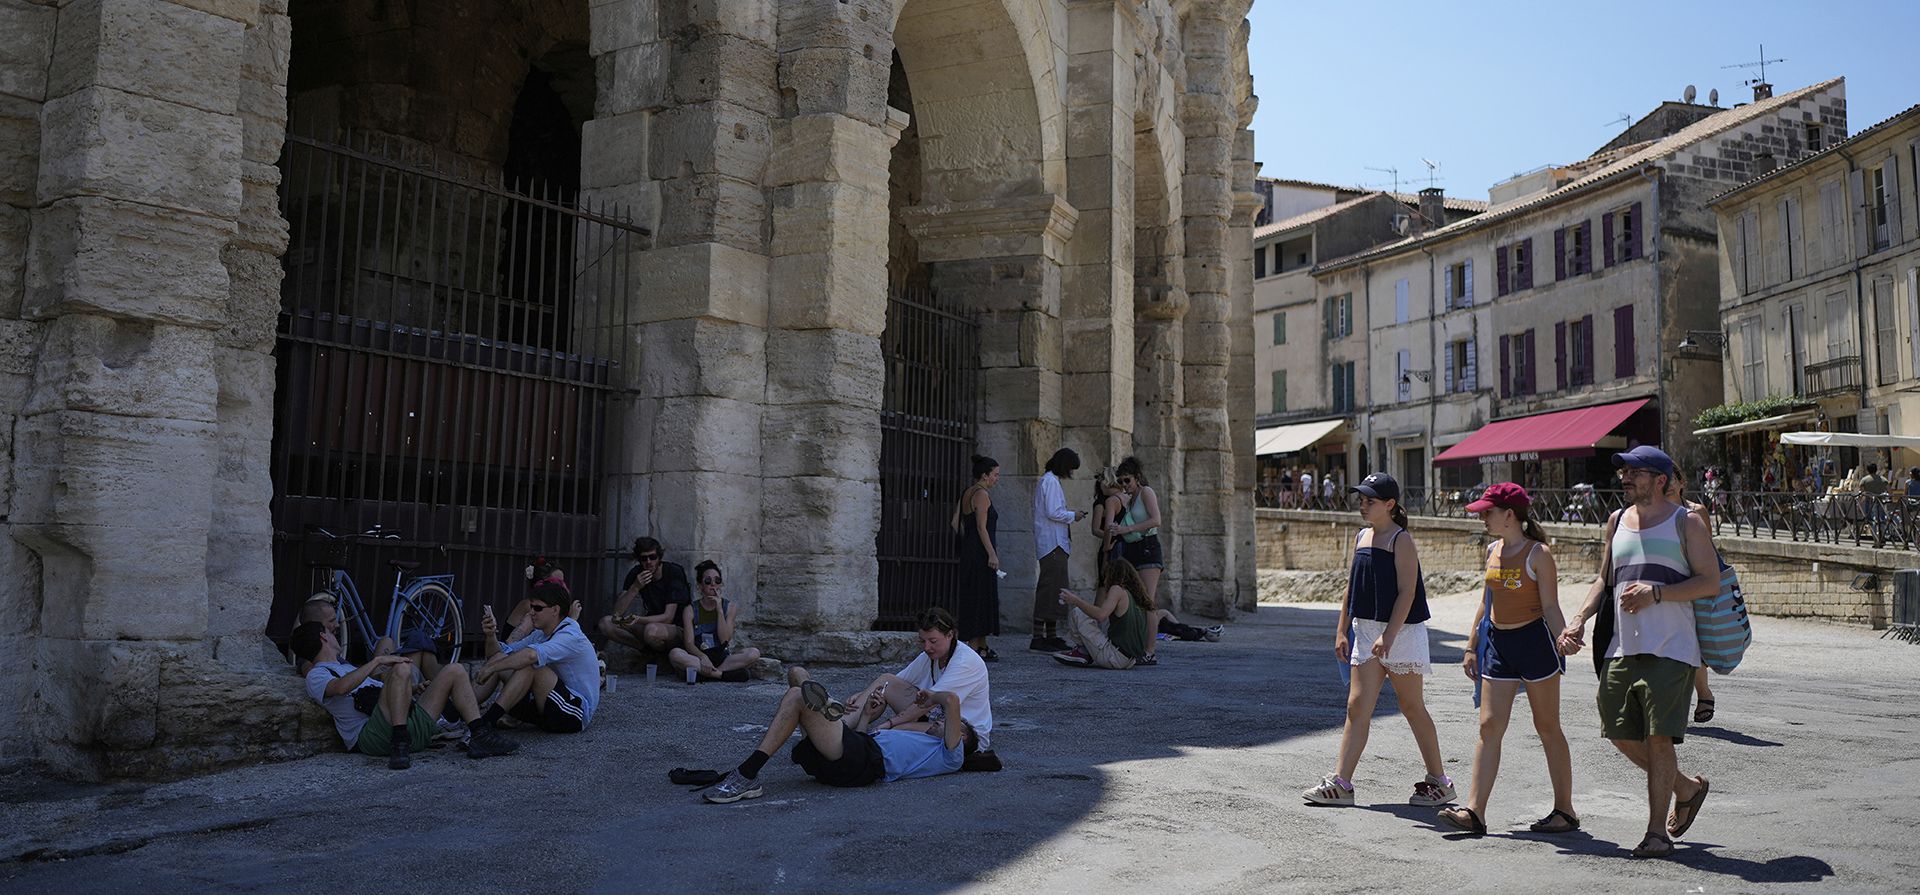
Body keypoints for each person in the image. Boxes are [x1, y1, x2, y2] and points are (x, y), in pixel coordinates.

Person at [1559, 446, 1718, 859]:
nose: (1625, 478)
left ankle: (1656, 834)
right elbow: (1603, 581)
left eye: (1635, 472)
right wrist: (1578, 620)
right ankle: (1685, 788)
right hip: (1621, 647)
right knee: (1616, 731)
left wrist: (1658, 593)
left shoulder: (1688, 523)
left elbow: (1709, 582)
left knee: (1658, 737)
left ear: (1660, 479)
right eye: (1624, 472)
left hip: (1673, 647)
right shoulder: (1616, 521)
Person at [1302, 472, 1455, 809]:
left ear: (1390, 505)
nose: (1363, 505)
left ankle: (1440, 781)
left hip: (1400, 632)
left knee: (1412, 707)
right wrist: (1342, 628)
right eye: (1362, 499)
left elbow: (1408, 591)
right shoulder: (1361, 537)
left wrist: (1389, 635)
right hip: (1366, 629)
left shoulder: (1401, 540)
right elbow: (1351, 587)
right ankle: (1342, 783)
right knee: (1357, 706)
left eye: (1370, 500)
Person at [1437, 484, 1577, 837]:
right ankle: (1475, 812)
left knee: (1547, 727)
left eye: (1488, 512)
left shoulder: (1538, 554)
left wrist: (1563, 637)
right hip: (1498, 645)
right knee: (1488, 727)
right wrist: (1471, 646)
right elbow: (1487, 603)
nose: (1483, 517)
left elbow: (1549, 607)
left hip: (1534, 644)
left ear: (1509, 515)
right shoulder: (1493, 550)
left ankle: (1565, 810)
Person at [703, 668, 977, 803]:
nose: (940, 719)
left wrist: (932, 697)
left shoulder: (952, 755)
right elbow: (864, 743)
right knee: (797, 675)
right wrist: (868, 718)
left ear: (961, 736)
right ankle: (825, 706)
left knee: (799, 695)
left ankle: (747, 775)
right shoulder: (927, 741)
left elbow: (951, 700)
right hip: (857, 751)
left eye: (949, 723)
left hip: (861, 764)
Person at [291, 621, 518, 769]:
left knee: (455, 670)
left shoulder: (347, 667)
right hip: (374, 737)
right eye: (330, 632)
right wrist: (378, 661)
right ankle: (399, 741)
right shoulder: (317, 674)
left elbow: (378, 694)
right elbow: (340, 688)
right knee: (400, 668)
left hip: (404, 726)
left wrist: (410, 690)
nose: (335, 635)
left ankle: (479, 734)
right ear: (323, 637)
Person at [474, 576, 600, 733]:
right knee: (500, 659)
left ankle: (485, 725)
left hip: (575, 713)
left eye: (538, 608)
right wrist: (490, 634)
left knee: (532, 665)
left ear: (555, 610)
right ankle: (460, 715)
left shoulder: (570, 634)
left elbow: (531, 656)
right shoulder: (541, 633)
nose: (531, 613)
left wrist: (491, 668)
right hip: (545, 705)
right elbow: (501, 654)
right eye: (531, 607)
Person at [859, 607, 994, 754]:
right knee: (886, 681)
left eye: (933, 641)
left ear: (950, 635)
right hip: (935, 719)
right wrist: (863, 695)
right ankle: (844, 726)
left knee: (897, 730)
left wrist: (888, 723)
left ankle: (864, 749)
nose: (927, 647)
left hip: (964, 731)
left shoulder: (964, 662)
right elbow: (894, 683)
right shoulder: (931, 655)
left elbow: (927, 704)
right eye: (922, 641)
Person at [1665, 476, 1720, 725]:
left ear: (1681, 482)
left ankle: (1703, 693)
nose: (1668, 485)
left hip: (1694, 582)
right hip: (1668, 581)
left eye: (1672, 479)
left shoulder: (1696, 511)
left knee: (1695, 640)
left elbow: (1708, 548)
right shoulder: (1655, 513)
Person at [667, 560, 762, 682]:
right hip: (699, 656)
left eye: (717, 581)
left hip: (722, 657)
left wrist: (719, 611)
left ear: (720, 585)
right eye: (708, 581)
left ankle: (706, 675)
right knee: (675, 654)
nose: (713, 584)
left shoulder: (730, 607)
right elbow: (689, 644)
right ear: (700, 586)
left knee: (754, 653)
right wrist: (703, 657)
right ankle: (721, 675)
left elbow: (725, 640)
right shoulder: (690, 610)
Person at [1052, 559, 1154, 669]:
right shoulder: (1136, 596)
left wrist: (1075, 600)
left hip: (1114, 657)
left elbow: (1101, 615)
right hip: (1129, 660)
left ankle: (1082, 651)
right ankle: (1085, 651)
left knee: (1078, 612)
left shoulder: (1117, 589)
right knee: (1098, 618)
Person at [1031, 447, 1086, 652]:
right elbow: (1054, 512)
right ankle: (1038, 636)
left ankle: (1051, 635)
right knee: (1048, 589)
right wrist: (1074, 515)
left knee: (1056, 590)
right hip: (1052, 544)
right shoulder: (1050, 482)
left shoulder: (1051, 481)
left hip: (1056, 544)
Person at [951, 454, 1003, 661]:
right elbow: (982, 527)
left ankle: (982, 645)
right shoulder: (981, 494)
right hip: (981, 553)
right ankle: (973, 648)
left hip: (970, 550)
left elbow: (955, 523)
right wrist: (991, 553)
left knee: (977, 595)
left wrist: (968, 542)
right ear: (985, 475)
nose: (997, 479)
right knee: (981, 597)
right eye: (995, 475)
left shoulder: (967, 492)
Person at [600, 537, 691, 653]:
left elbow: (668, 617)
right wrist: (635, 587)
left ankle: (662, 658)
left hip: (677, 628)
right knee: (606, 623)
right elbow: (616, 613)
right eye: (644, 558)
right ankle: (647, 652)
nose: (649, 562)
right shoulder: (636, 573)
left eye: (652, 557)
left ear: (659, 558)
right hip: (650, 625)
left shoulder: (673, 572)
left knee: (651, 630)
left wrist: (638, 620)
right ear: (639, 559)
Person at [1110, 456, 1167, 610]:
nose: (1124, 485)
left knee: (1147, 600)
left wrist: (1127, 529)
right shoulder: (1130, 499)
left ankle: (1152, 633)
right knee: (1134, 599)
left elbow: (1156, 520)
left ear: (1137, 477)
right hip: (1132, 548)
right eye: (1120, 482)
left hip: (1148, 546)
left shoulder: (1146, 492)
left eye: (1127, 480)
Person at [1090, 467, 1125, 570]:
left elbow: (1108, 527)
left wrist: (1107, 545)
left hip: (1113, 545)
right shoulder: (1128, 497)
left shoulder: (1110, 501)